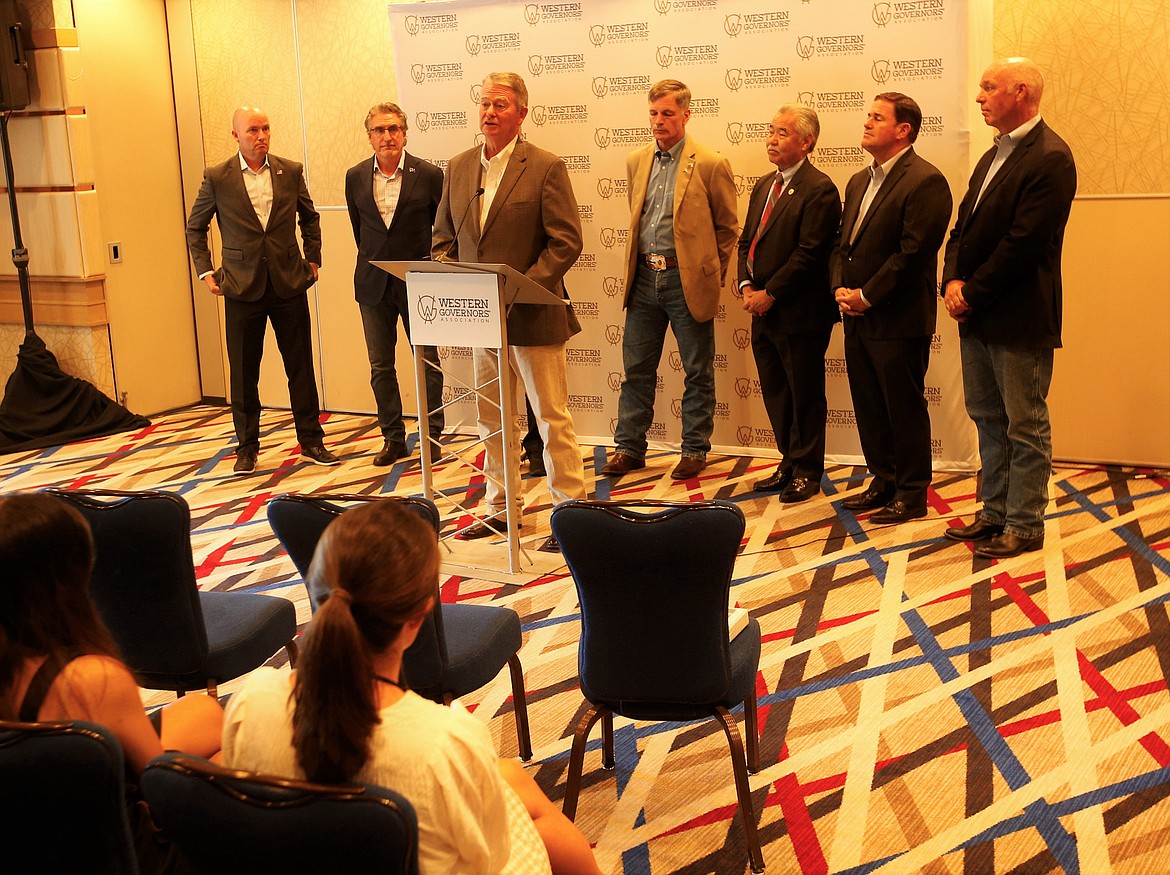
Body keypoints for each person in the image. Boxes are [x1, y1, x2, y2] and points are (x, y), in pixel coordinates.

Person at [222, 501, 600, 874]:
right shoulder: (444, 741)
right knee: (539, 820)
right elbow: (486, 861)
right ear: (420, 616)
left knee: (510, 777)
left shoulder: (252, 700)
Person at [432, 72, 586, 552]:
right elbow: (442, 239)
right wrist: (452, 277)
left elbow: (566, 242)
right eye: (484, 103)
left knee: (550, 419)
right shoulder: (458, 168)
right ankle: (501, 510)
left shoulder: (545, 166)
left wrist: (518, 289)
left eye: (500, 104)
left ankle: (570, 515)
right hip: (480, 319)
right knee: (492, 420)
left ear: (522, 113)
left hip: (532, 317)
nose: (490, 112)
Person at [942, 58, 1077, 558]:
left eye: (989, 87)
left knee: (1025, 422)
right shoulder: (991, 155)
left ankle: (1025, 523)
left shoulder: (1051, 156)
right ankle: (994, 512)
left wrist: (970, 291)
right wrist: (952, 279)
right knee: (986, 416)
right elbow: (963, 230)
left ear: (1021, 92)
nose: (979, 97)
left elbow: (1024, 243)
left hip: (1018, 314)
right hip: (976, 310)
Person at [0, 492, 224, 774]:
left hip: (25, 793)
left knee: (203, 710)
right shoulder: (93, 677)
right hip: (101, 809)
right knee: (227, 760)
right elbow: (154, 781)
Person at [186, 106, 338, 475]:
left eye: (266, 128)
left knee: (300, 366)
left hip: (288, 282)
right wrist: (206, 272)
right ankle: (247, 447)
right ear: (236, 135)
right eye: (253, 130)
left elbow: (310, 216)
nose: (262, 136)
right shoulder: (217, 177)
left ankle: (311, 440)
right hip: (240, 286)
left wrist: (313, 259)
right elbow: (196, 227)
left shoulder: (289, 170)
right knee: (243, 372)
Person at [602, 79, 739, 481]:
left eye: (667, 113)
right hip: (645, 276)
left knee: (697, 369)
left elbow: (728, 229)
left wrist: (711, 275)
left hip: (686, 279)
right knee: (636, 368)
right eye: (653, 113)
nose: (659, 121)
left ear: (685, 115)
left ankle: (695, 449)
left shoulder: (711, 162)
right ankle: (630, 447)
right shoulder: (636, 160)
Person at [831, 92, 952, 523]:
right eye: (867, 115)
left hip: (898, 318)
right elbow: (841, 245)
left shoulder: (926, 180)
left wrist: (867, 295)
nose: (866, 122)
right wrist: (840, 288)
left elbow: (913, 253)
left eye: (876, 117)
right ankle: (883, 480)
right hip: (856, 314)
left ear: (903, 130)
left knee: (902, 405)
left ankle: (912, 492)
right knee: (868, 402)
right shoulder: (858, 181)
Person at [738, 105, 841, 503]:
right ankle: (788, 461)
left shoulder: (820, 188)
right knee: (776, 391)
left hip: (800, 312)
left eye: (782, 133)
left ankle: (809, 470)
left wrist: (771, 293)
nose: (771, 139)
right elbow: (747, 240)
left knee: (804, 393)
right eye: (771, 130)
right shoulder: (765, 184)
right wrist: (747, 285)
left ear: (807, 141)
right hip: (761, 308)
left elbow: (810, 253)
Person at [345, 102, 445, 467]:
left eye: (393, 129)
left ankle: (433, 439)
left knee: (427, 363)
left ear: (405, 132)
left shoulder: (430, 174)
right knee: (380, 366)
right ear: (369, 136)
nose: (386, 136)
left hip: (419, 284)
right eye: (379, 130)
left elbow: (442, 229)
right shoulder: (354, 177)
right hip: (372, 284)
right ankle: (392, 438)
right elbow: (360, 231)